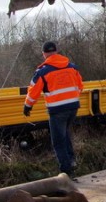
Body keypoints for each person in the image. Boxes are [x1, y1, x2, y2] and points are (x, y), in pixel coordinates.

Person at [23, 41, 84, 177]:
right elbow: (80, 86)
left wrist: (27, 106)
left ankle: (66, 172)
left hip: (57, 111)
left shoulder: (43, 71)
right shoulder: (71, 67)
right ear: (56, 51)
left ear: (44, 54)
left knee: (58, 141)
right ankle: (72, 161)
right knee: (65, 134)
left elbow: (34, 91)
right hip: (73, 107)